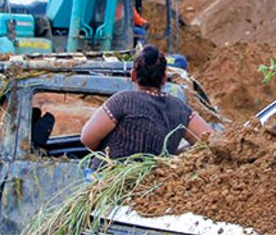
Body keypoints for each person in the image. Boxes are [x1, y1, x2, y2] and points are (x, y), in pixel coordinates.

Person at [80, 45, 211, 158]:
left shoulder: (122, 101)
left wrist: (106, 154)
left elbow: (87, 138)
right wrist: (177, 155)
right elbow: (209, 141)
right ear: (164, 78)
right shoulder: (180, 109)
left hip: (109, 179)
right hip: (154, 182)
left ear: (133, 75)